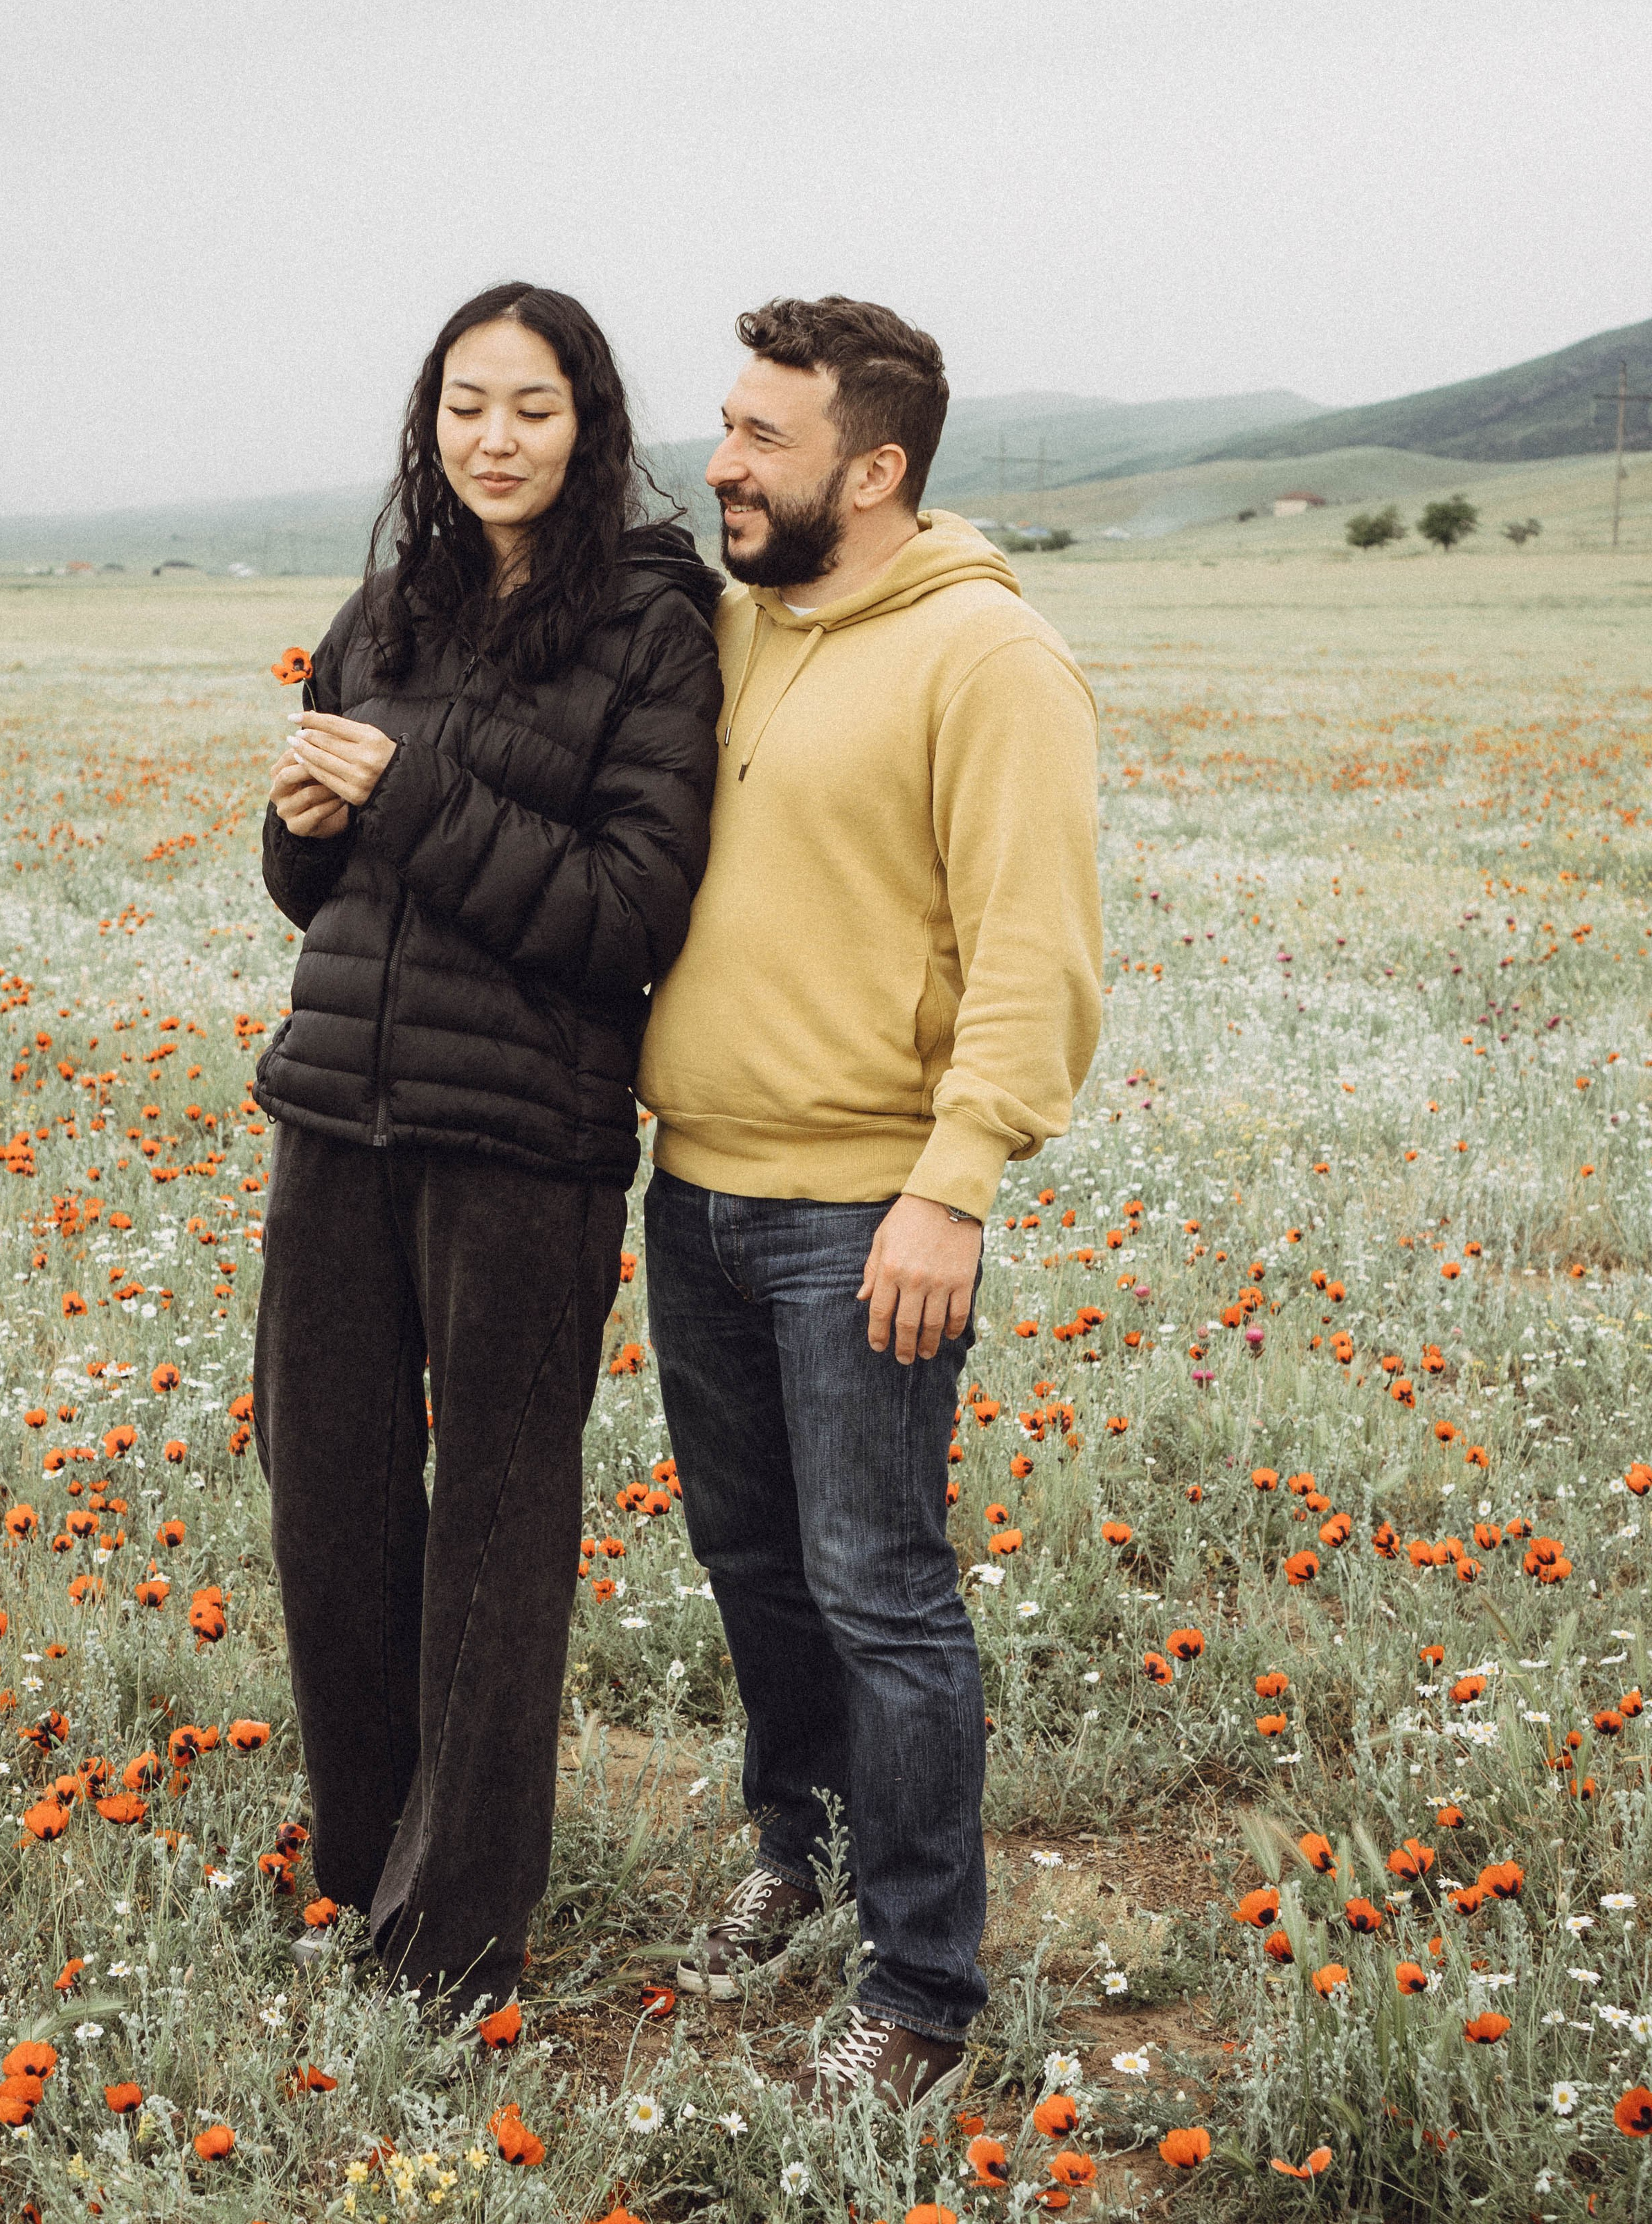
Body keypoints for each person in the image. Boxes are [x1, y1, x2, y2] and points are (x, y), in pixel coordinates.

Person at [638, 294, 1102, 2107]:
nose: (722, 461)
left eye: (762, 436)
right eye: (726, 425)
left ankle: (920, 1986)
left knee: (882, 1589)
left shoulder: (990, 659)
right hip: (694, 1193)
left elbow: (1036, 955)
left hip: (866, 1218)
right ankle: (799, 1851)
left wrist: (954, 1186)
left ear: (877, 465)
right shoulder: (735, 630)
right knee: (755, 1568)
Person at [253, 281, 722, 2006]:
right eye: (465, 405)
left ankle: (450, 1946)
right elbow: (322, 884)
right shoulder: (385, 612)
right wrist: (298, 830)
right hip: (336, 1116)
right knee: (329, 1501)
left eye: (531, 407)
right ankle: (370, 1867)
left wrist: (406, 798)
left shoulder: (656, 632)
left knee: (494, 1533)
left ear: (588, 427)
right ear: (428, 423)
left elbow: (625, 911)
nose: (494, 439)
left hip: (522, 1141)